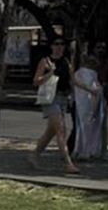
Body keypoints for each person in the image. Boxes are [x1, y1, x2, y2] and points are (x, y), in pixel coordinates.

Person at [30, 38, 81, 174]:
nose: (59, 47)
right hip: (51, 98)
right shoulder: (46, 62)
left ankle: (34, 155)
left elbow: (74, 80)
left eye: (61, 44)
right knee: (61, 130)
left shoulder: (66, 62)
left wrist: (91, 90)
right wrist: (51, 72)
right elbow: (36, 81)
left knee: (50, 132)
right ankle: (68, 163)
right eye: (56, 44)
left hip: (63, 98)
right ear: (51, 46)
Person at [71, 55, 104, 160]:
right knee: (90, 127)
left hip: (81, 103)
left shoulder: (79, 73)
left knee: (81, 127)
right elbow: (96, 91)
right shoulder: (92, 75)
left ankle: (80, 150)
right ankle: (89, 150)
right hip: (88, 104)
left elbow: (74, 85)